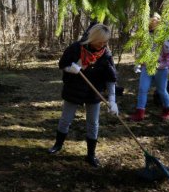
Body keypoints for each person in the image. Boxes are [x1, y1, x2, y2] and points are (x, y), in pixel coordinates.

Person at [48, 24, 118, 167]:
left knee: (93, 123)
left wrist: (112, 100)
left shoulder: (105, 54)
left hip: (94, 92)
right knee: (66, 119)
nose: (104, 45)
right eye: (101, 41)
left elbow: (111, 78)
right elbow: (62, 64)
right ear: (93, 38)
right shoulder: (75, 48)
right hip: (74, 89)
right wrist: (70, 69)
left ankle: (91, 155)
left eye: (106, 42)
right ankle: (58, 145)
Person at [130, 13, 169, 121]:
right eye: (152, 21)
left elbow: (168, 53)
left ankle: (167, 110)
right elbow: (142, 51)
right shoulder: (146, 36)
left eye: (156, 21)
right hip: (146, 67)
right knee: (142, 89)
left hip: (161, 68)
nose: (153, 23)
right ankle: (140, 112)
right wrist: (138, 63)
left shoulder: (165, 37)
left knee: (162, 90)